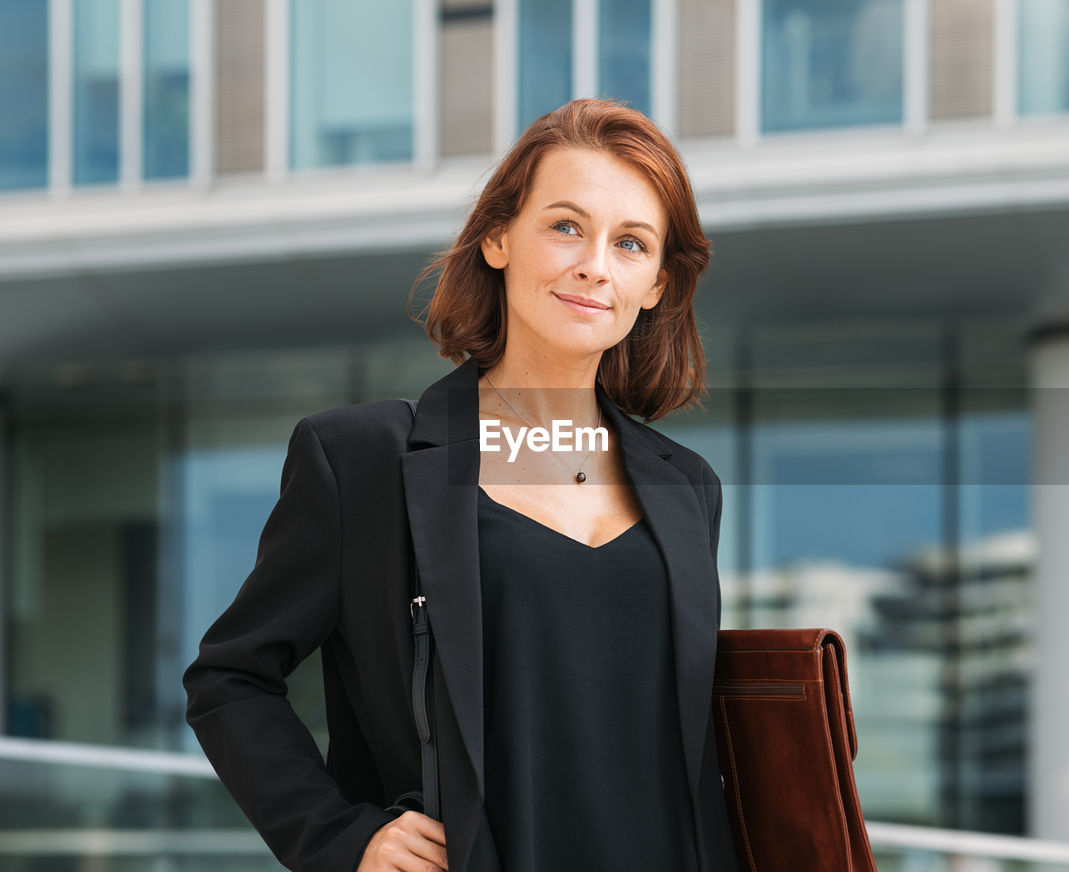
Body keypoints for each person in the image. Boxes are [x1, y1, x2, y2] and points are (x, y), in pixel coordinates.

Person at [183, 98, 739, 872]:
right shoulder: (361, 462)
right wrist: (344, 839)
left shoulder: (688, 489)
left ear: (655, 285)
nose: (595, 266)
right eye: (566, 226)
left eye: (632, 243)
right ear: (499, 237)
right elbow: (230, 679)